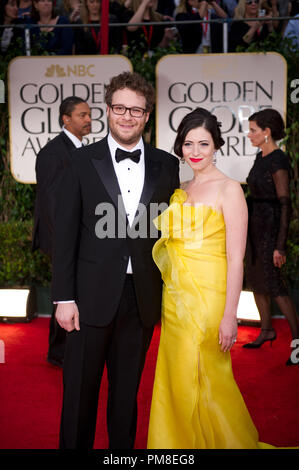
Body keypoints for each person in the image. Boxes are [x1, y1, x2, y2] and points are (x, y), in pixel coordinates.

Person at [51, 71, 180, 449]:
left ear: (147, 114)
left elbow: (168, 233)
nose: (127, 116)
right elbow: (66, 233)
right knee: (79, 397)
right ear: (108, 110)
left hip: (140, 298)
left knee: (126, 398)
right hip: (87, 299)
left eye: (136, 110)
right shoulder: (80, 161)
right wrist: (63, 297)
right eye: (120, 108)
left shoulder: (165, 165)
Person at [147, 107, 276, 449]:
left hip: (209, 298)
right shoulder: (181, 188)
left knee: (207, 374)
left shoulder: (229, 189)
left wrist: (229, 315)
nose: (195, 152)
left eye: (203, 144)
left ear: (216, 145)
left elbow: (236, 257)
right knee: (176, 373)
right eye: (188, 144)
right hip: (175, 298)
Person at [32, 96, 92, 368]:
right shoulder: (52, 152)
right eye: (82, 115)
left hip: (79, 237)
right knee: (64, 293)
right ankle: (59, 353)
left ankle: (70, 348)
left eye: (89, 114)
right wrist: (64, 243)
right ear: (66, 119)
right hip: (61, 238)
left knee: (73, 293)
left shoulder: (80, 149)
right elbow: (51, 203)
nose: (88, 119)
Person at [243, 109, 299, 366]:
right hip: (254, 231)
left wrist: (280, 246)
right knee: (256, 281)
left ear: (266, 132)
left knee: (275, 286)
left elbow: (285, 204)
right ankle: (266, 330)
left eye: (253, 130)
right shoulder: (261, 155)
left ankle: (297, 342)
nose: (249, 134)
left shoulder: (278, 161)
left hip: (270, 232)